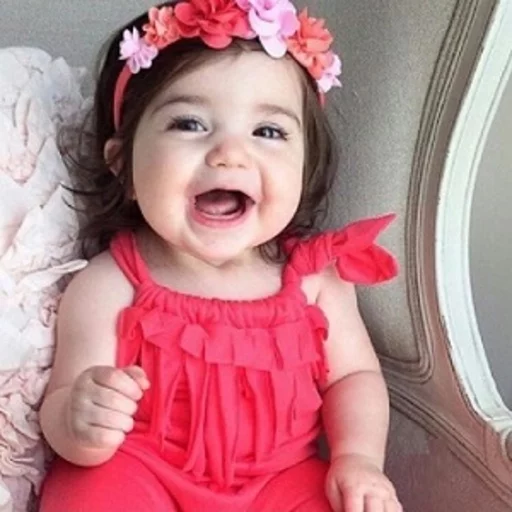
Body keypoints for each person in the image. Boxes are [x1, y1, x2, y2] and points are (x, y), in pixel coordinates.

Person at [38, 1, 402, 511]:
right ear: (123, 165)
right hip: (144, 472)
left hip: (280, 481)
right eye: (189, 123)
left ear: (305, 168)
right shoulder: (111, 283)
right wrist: (80, 422)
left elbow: (354, 378)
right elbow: (61, 401)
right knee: (89, 490)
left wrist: (357, 458)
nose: (229, 153)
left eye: (268, 132)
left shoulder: (317, 282)